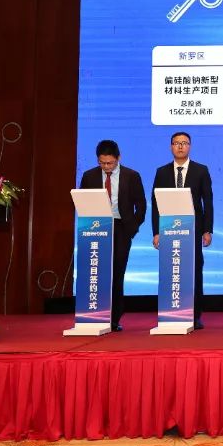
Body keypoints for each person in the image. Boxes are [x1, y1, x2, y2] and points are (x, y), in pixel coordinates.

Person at [78, 139, 146, 332]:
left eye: (110, 163)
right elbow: (83, 202)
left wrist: (132, 228)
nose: (106, 167)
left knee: (117, 273)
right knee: (96, 272)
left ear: (118, 158)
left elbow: (141, 205)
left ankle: (114, 318)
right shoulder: (89, 176)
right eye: (102, 163)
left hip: (121, 228)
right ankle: (94, 314)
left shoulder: (131, 176)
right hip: (96, 228)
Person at [151, 132, 213, 330]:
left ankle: (195, 315)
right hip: (168, 230)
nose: (180, 147)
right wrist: (156, 232)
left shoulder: (201, 170)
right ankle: (171, 311)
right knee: (171, 269)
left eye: (184, 143)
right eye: (176, 143)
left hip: (194, 230)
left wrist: (207, 230)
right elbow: (155, 203)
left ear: (190, 146)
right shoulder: (161, 172)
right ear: (171, 146)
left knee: (194, 270)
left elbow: (207, 202)